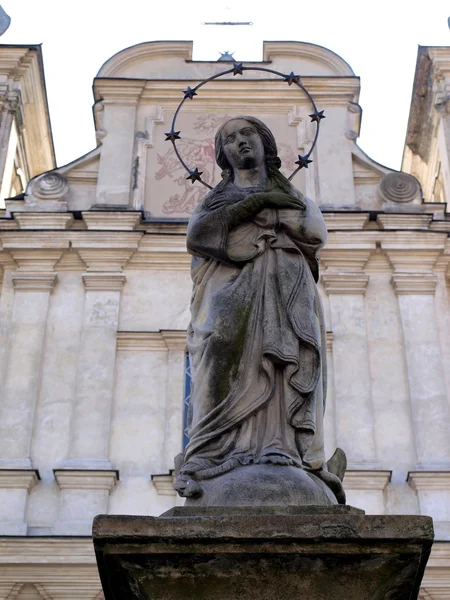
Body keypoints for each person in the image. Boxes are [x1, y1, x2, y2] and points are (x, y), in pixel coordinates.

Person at [175, 116, 345, 503]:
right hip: (226, 290)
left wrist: (276, 214)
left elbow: (315, 232)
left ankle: (279, 447)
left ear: (265, 143)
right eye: (230, 139)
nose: (240, 143)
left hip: (286, 285)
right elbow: (198, 235)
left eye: (247, 134)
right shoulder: (215, 199)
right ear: (222, 155)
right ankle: (212, 453)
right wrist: (257, 203)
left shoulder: (294, 195)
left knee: (287, 360)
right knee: (218, 345)